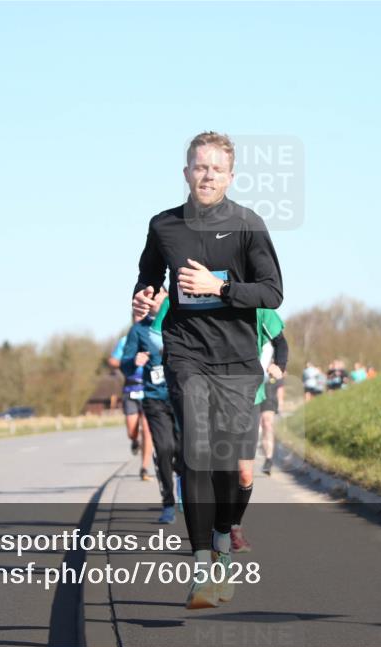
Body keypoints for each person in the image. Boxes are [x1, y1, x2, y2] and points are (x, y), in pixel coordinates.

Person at [132, 132, 283, 609]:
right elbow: (147, 278)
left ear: (231, 176)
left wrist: (219, 290)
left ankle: (221, 543)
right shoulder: (164, 227)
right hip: (185, 352)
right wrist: (143, 297)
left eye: (217, 169)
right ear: (186, 172)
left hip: (237, 360)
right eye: (200, 167)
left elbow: (272, 293)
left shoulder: (248, 225)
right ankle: (201, 570)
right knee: (195, 452)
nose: (208, 175)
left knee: (231, 468)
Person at [230, 308, 288, 553]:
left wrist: (280, 365)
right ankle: (215, 527)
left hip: (251, 399)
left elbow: (280, 343)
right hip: (215, 398)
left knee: (244, 474)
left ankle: (234, 526)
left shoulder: (262, 311)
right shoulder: (213, 302)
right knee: (216, 469)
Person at [121, 290, 180, 524]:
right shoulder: (138, 330)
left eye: (160, 294)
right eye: (151, 295)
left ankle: (184, 484)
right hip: (155, 399)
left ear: (167, 296)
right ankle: (168, 503)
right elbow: (125, 365)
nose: (155, 298)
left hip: (181, 397)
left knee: (185, 451)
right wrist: (133, 362)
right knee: (164, 449)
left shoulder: (178, 321)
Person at [109, 324, 154, 480]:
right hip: (131, 388)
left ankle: (144, 468)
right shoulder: (125, 340)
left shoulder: (153, 337)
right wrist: (129, 361)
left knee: (148, 430)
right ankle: (135, 440)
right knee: (132, 431)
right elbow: (113, 361)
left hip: (148, 388)